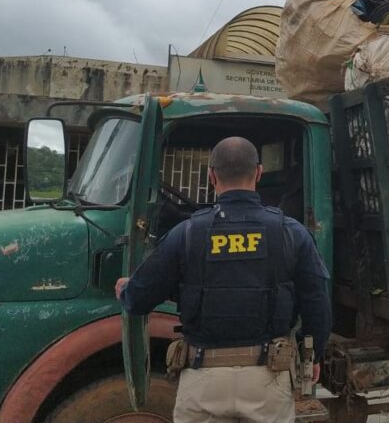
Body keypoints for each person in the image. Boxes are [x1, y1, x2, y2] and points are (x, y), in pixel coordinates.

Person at [116, 136, 331, 423]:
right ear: (258, 173)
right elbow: (317, 303)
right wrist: (312, 354)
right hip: (267, 378)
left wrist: (125, 289)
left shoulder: (187, 233)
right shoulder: (291, 232)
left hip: (203, 378)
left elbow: (139, 299)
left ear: (211, 175)